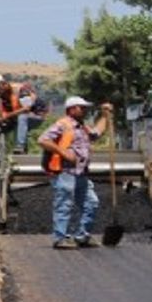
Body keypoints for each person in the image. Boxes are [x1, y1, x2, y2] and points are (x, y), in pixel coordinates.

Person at [38, 96, 113, 250]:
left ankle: (82, 236)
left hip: (81, 173)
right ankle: (60, 239)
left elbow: (97, 133)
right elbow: (43, 140)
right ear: (71, 109)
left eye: (85, 108)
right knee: (64, 204)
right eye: (82, 107)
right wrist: (64, 153)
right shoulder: (63, 124)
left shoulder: (82, 127)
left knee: (91, 203)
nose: (85, 110)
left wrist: (105, 116)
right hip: (65, 172)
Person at [0, 74, 48, 154]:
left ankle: (20, 146)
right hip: (20, 116)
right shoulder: (3, 96)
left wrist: (8, 115)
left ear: (3, 83)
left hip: (37, 115)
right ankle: (1, 150)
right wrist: (1, 120)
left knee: (22, 118)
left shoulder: (20, 90)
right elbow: (5, 114)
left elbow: (27, 108)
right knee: (1, 124)